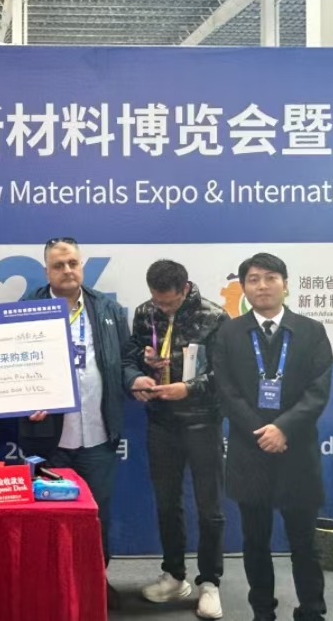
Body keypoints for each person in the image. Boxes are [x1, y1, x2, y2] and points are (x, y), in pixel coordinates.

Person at [214, 253, 333, 621]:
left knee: (304, 542)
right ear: (243, 288)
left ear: (285, 284)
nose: (262, 286)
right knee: (255, 542)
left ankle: (311, 610)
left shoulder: (311, 331)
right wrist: (261, 432)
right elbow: (226, 391)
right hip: (249, 453)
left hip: (297, 451)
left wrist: (283, 428)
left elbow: (318, 391)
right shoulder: (228, 333)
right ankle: (262, 611)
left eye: (270, 278)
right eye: (253, 280)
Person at [19, 237, 131, 611]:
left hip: (98, 435)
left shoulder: (108, 309)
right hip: (49, 439)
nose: (67, 271)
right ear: (46, 271)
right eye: (58, 265)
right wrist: (24, 401)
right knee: (51, 519)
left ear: (81, 265)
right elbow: (13, 370)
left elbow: (125, 362)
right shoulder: (25, 310)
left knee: (97, 515)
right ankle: (53, 587)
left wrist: (137, 379)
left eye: (73, 263)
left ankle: (96, 581)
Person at [123, 260, 228, 619]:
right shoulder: (145, 313)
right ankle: (174, 575)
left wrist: (189, 388)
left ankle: (210, 582)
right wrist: (139, 373)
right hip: (161, 422)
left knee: (210, 509)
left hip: (202, 422)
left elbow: (226, 374)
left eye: (169, 302)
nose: (163, 308)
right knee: (167, 503)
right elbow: (130, 357)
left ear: (185, 289)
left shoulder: (215, 317)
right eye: (157, 301)